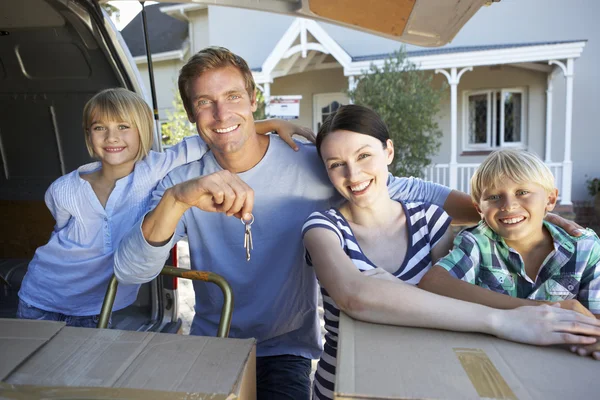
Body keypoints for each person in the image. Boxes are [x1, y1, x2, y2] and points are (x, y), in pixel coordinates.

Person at [113, 47, 586, 399]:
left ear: (253, 98)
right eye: (204, 103)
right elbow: (132, 271)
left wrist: (520, 216)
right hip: (212, 341)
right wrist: (178, 199)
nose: (221, 113)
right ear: (191, 111)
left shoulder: (309, 163)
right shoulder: (181, 180)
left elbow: (402, 187)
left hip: (286, 347)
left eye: (233, 96)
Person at [302, 106, 600, 400]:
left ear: (388, 152)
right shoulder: (321, 227)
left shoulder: (430, 220)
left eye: (364, 155)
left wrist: (538, 214)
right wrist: (507, 318)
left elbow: (455, 295)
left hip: (425, 380)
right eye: (336, 164)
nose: (353, 174)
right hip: (344, 385)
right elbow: (353, 295)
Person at [17, 87, 308, 328]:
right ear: (89, 135)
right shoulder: (63, 189)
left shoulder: (156, 169)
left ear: (142, 131)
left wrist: (268, 124)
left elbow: (212, 137)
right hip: (41, 296)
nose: (111, 137)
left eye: (123, 127)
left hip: (99, 306)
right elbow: (61, 231)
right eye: (99, 128)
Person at [418, 148, 600, 359]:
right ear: (479, 209)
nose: (508, 205)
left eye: (522, 192)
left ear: (550, 199)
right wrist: (541, 308)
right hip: (495, 358)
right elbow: (434, 282)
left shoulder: (585, 248)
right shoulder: (477, 242)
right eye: (494, 197)